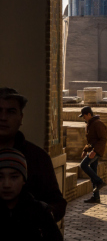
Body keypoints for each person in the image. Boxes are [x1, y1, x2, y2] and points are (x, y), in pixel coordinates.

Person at [0, 87, 66, 221]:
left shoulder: (38, 158)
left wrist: (39, 215)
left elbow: (57, 204)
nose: (3, 117)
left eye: (11, 112)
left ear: (21, 118)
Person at [0, 148, 63, 240]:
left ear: (24, 179)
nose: (6, 184)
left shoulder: (40, 212)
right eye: (0, 177)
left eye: (14, 177)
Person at [79, 106, 107, 203]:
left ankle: (100, 181)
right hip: (92, 150)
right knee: (93, 172)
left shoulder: (97, 124)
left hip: (96, 151)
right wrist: (85, 150)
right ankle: (96, 197)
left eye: (84, 116)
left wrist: (94, 151)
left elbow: (103, 139)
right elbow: (91, 141)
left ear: (89, 114)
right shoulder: (90, 124)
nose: (84, 118)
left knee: (83, 165)